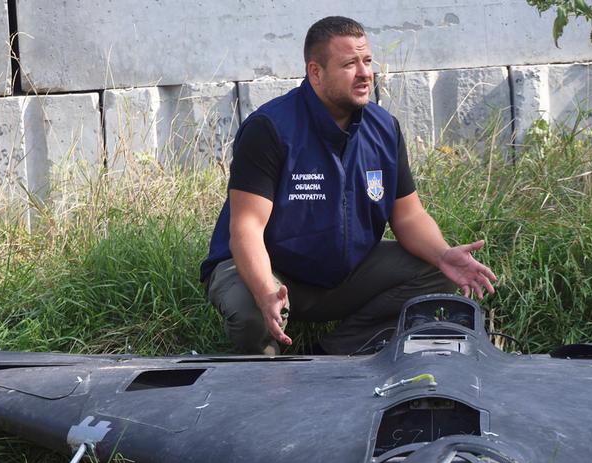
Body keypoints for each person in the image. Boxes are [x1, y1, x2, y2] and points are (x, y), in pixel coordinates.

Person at [200, 16, 496, 355]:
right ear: (316, 72)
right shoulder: (270, 129)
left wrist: (444, 253)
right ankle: (272, 378)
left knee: (436, 272)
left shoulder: (384, 129)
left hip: (342, 272)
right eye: (349, 64)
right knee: (250, 314)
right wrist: (266, 287)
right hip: (269, 268)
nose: (365, 73)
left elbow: (409, 217)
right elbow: (247, 228)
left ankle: (331, 354)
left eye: (367, 61)